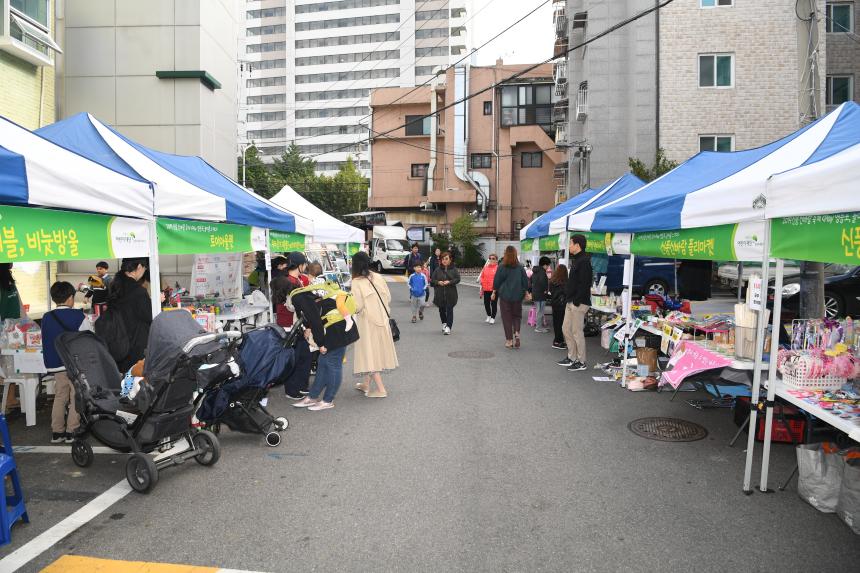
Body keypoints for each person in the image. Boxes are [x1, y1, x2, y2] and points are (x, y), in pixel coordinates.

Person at [290, 278, 360, 411]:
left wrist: (320, 344)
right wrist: (311, 330)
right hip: (335, 329)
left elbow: (316, 320)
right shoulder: (307, 295)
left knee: (333, 364)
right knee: (323, 362)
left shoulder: (301, 298)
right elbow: (320, 315)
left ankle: (328, 400)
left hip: (339, 331)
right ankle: (313, 396)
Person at [42, 282, 88, 443]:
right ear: (70, 298)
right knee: (76, 395)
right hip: (73, 363)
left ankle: (57, 432)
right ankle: (72, 430)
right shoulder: (78, 315)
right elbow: (88, 337)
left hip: (55, 363)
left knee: (60, 395)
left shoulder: (47, 317)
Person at [349, 252, 398, 398]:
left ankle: (381, 389)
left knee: (370, 353)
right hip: (382, 320)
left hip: (368, 324)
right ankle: (366, 384)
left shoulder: (356, 282)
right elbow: (388, 297)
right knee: (374, 352)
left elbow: (357, 307)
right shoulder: (377, 276)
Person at [106, 258, 151, 372]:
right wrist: (155, 302)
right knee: (135, 383)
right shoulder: (139, 291)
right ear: (140, 267)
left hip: (118, 343)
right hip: (135, 346)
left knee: (125, 382)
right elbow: (149, 316)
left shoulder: (114, 286)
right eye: (145, 268)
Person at [278, 252, 312, 400]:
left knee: (303, 356)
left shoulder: (295, 279)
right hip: (290, 326)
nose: (305, 267)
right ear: (299, 265)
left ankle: (300, 387)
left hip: (294, 325)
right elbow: (293, 307)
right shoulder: (289, 282)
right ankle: (293, 390)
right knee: (296, 358)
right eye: (304, 264)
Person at [558, 235, 592, 372]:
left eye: (571, 243)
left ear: (577, 245)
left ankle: (581, 361)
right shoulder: (577, 260)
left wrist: (577, 300)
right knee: (566, 329)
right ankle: (571, 357)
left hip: (579, 302)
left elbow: (585, 283)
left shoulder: (584, 261)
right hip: (571, 301)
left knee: (577, 332)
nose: (569, 246)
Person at [492, 246, 529, 349]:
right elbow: (525, 282)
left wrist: (494, 291)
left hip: (505, 296)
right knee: (517, 316)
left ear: (505, 254)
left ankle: (509, 341)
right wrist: (525, 291)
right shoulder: (520, 267)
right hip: (518, 296)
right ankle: (517, 332)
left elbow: (497, 281)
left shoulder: (501, 267)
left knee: (506, 318)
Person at [431, 251, 460, 335]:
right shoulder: (438, 269)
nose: (444, 260)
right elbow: (432, 279)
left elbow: (458, 279)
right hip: (439, 293)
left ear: (450, 260)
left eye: (446, 259)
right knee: (441, 310)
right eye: (443, 259)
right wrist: (438, 282)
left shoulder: (454, 269)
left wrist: (449, 282)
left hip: (451, 294)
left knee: (449, 310)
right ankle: (444, 323)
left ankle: (448, 327)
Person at [549, 264, 569, 350]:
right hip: (563, 305)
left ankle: (557, 340)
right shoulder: (565, 282)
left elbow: (551, 292)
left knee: (557, 323)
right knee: (562, 324)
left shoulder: (552, 281)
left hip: (555, 304)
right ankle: (558, 341)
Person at [531, 256, 551, 333]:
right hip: (541, 294)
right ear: (545, 265)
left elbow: (531, 280)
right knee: (540, 311)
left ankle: (539, 326)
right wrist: (546, 290)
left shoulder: (535, 271)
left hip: (536, 293)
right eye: (548, 265)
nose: (548, 267)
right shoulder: (542, 272)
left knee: (539, 311)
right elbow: (543, 283)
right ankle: (538, 327)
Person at [478, 253, 499, 324]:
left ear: (496, 260)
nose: (491, 260)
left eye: (493, 258)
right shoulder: (486, 268)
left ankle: (493, 317)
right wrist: (482, 283)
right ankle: (489, 315)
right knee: (486, 303)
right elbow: (482, 276)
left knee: (493, 304)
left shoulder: (498, 268)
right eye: (490, 258)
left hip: (494, 289)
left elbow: (499, 279)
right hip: (486, 289)